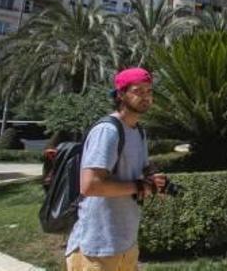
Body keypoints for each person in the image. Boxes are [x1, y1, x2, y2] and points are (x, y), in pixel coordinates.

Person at [65, 67, 168, 271]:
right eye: (139, 91)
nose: (146, 97)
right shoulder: (108, 131)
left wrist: (154, 179)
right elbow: (90, 185)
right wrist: (139, 186)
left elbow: (143, 168)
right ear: (121, 94)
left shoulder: (138, 131)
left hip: (126, 243)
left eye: (149, 91)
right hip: (97, 247)